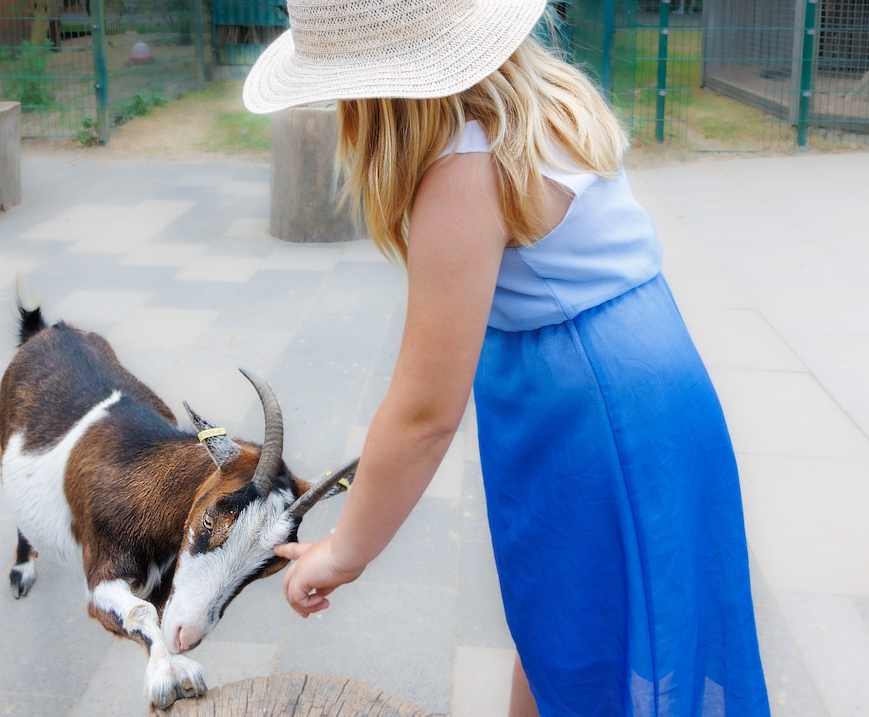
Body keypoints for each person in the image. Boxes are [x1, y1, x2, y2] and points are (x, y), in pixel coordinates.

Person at [243, 1, 771, 715]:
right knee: (570, 633)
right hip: (640, 392)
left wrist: (346, 549)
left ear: (378, 95)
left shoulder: (466, 165)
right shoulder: (536, 103)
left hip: (603, 427)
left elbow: (424, 410)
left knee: (591, 648)